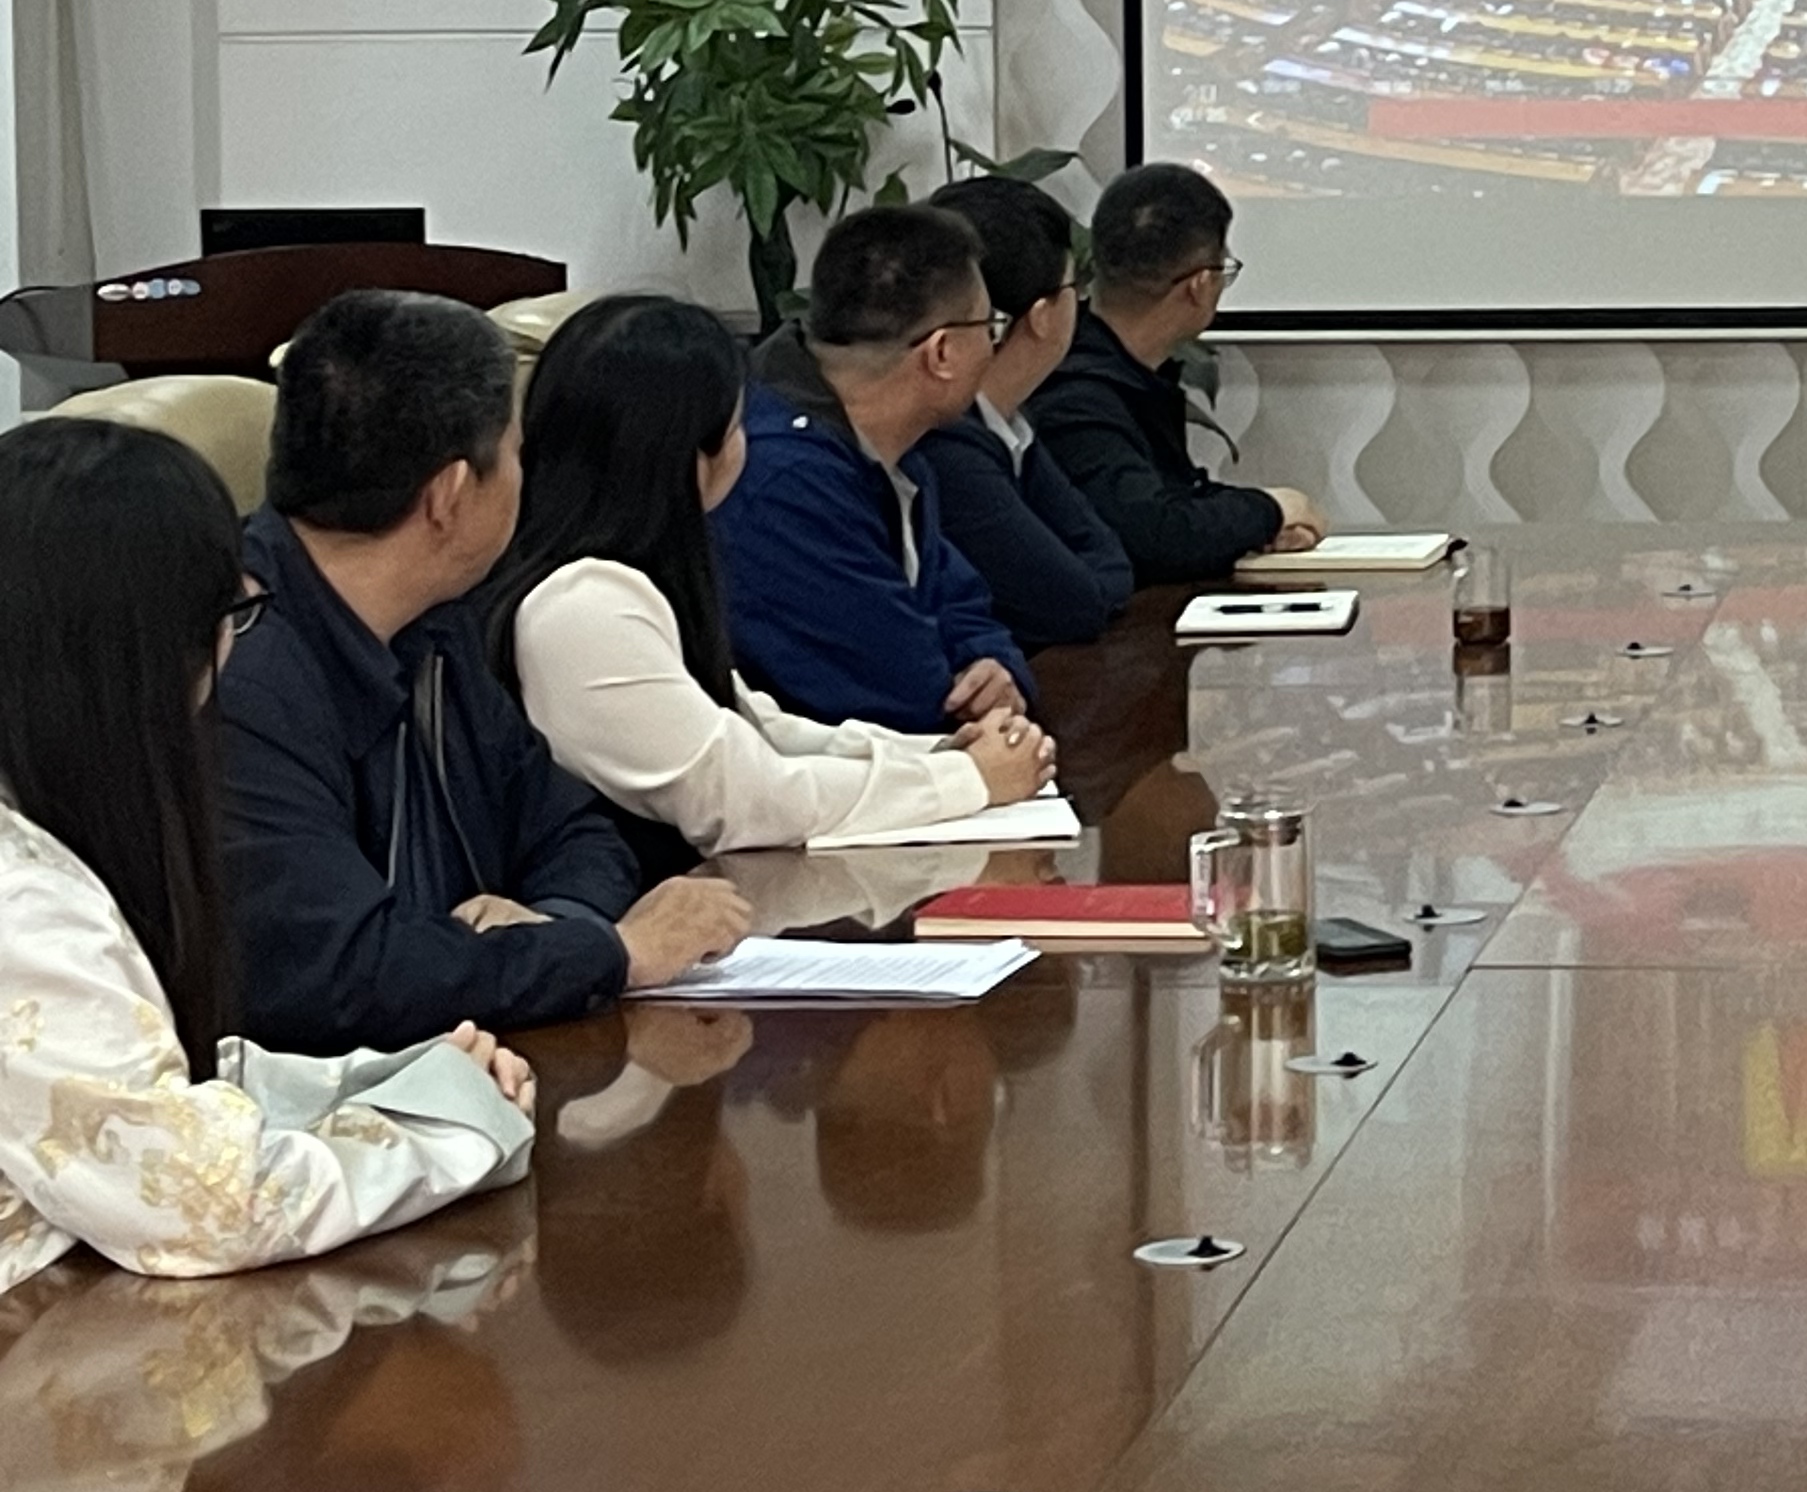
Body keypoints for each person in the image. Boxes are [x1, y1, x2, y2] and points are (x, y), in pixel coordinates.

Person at [0, 418, 539, 1291]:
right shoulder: (23, 907)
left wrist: (389, 1083)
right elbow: (205, 1205)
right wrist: (456, 1124)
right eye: (231, 614)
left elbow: (137, 1083)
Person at [219, 292, 748, 1055]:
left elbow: (576, 833)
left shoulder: (432, 623)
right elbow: (341, 975)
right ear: (451, 496)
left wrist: (551, 925)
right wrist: (611, 953)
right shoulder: (239, 668)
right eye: (517, 454)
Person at [487, 294, 1055, 880]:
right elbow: (741, 799)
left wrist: (944, 754)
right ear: (692, 455)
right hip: (640, 910)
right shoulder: (584, 607)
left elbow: (763, 731)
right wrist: (965, 781)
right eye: (737, 423)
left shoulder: (632, 578)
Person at [711, 207, 1039, 737]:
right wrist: (968, 692)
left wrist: (995, 667)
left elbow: (960, 601)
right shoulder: (781, 481)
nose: (992, 346)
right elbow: (899, 693)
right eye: (989, 327)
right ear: (942, 352)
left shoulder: (890, 447)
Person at [1031, 161, 1322, 584]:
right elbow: (1153, 536)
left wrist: (1259, 524)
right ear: (1199, 285)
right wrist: (1272, 510)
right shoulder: (1073, 398)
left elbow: (1176, 497)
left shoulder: (1127, 371)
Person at [911, 176, 1129, 650]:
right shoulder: (944, 444)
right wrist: (1094, 586)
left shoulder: (1008, 421)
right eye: (1074, 286)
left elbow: (1108, 555)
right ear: (1043, 314)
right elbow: (1075, 605)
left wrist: (1094, 585)